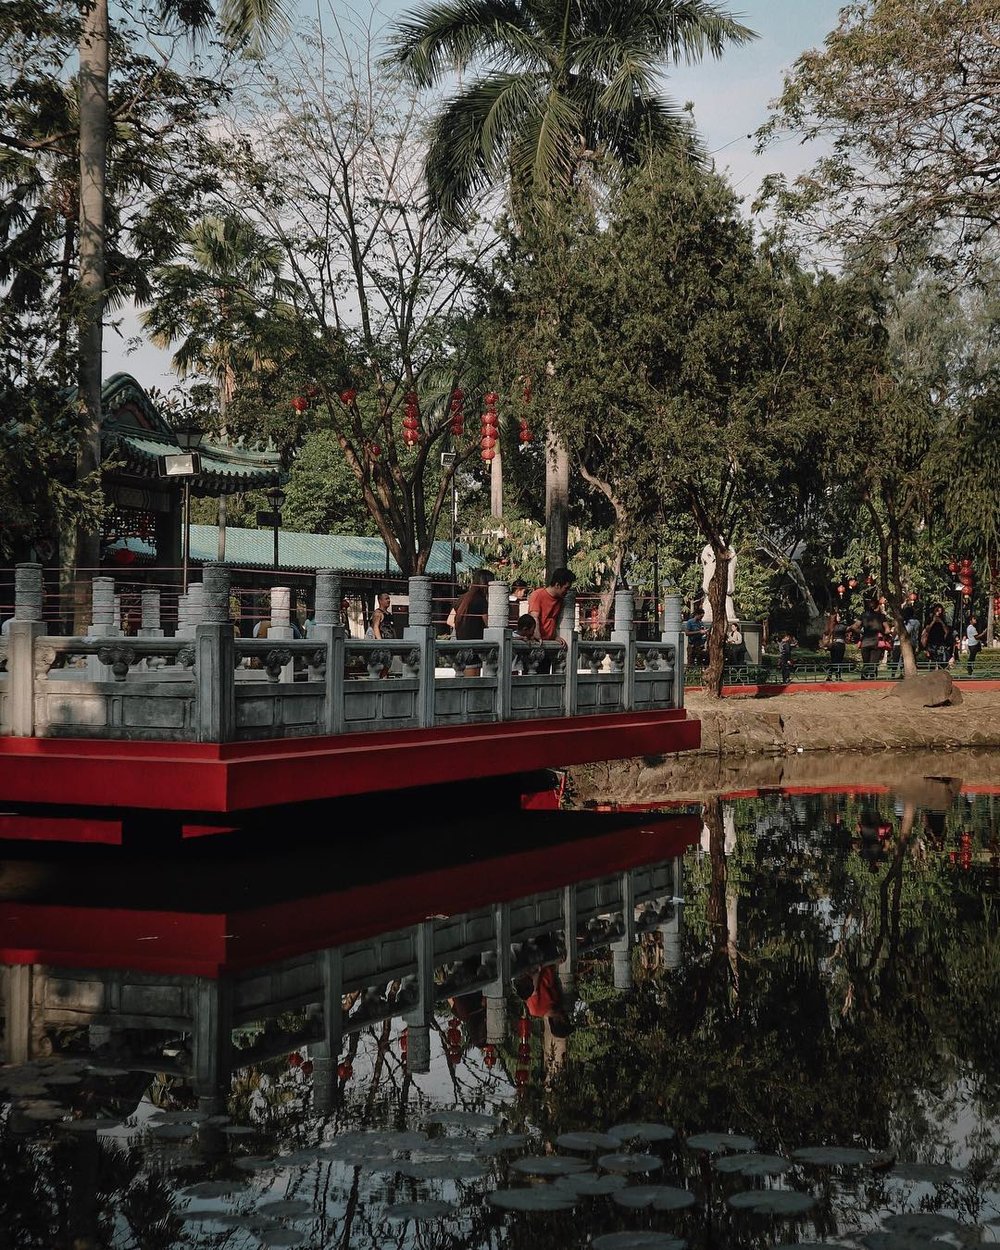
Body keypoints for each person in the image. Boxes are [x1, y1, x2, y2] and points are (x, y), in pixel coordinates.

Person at [528, 568, 576, 671]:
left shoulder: (560, 600)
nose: (567, 592)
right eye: (566, 588)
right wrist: (537, 635)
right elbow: (534, 617)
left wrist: (555, 636)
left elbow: (553, 620)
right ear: (557, 585)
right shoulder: (538, 595)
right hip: (537, 645)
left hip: (549, 645)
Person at [453, 569, 490, 641]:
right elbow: (489, 623)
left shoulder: (463, 597)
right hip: (476, 639)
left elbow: (450, 620)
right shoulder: (481, 600)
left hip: (460, 639)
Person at [858, 604, 885, 679]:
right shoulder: (881, 617)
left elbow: (854, 627)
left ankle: (864, 677)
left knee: (866, 663)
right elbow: (887, 629)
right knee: (874, 663)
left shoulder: (863, 616)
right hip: (876, 642)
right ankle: (873, 678)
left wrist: (862, 632)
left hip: (865, 642)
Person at [921, 603, 950, 668]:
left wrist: (941, 622)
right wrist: (933, 621)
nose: (939, 613)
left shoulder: (943, 619)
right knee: (932, 656)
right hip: (931, 641)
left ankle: (939, 668)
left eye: (940, 611)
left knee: (940, 656)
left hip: (940, 641)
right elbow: (927, 629)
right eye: (937, 611)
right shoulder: (930, 618)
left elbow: (946, 631)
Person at [824, 612, 847, 681]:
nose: (840, 617)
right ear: (835, 618)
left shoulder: (831, 626)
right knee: (838, 661)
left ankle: (830, 675)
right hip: (839, 645)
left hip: (833, 645)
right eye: (838, 616)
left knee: (834, 661)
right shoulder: (839, 626)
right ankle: (837, 676)